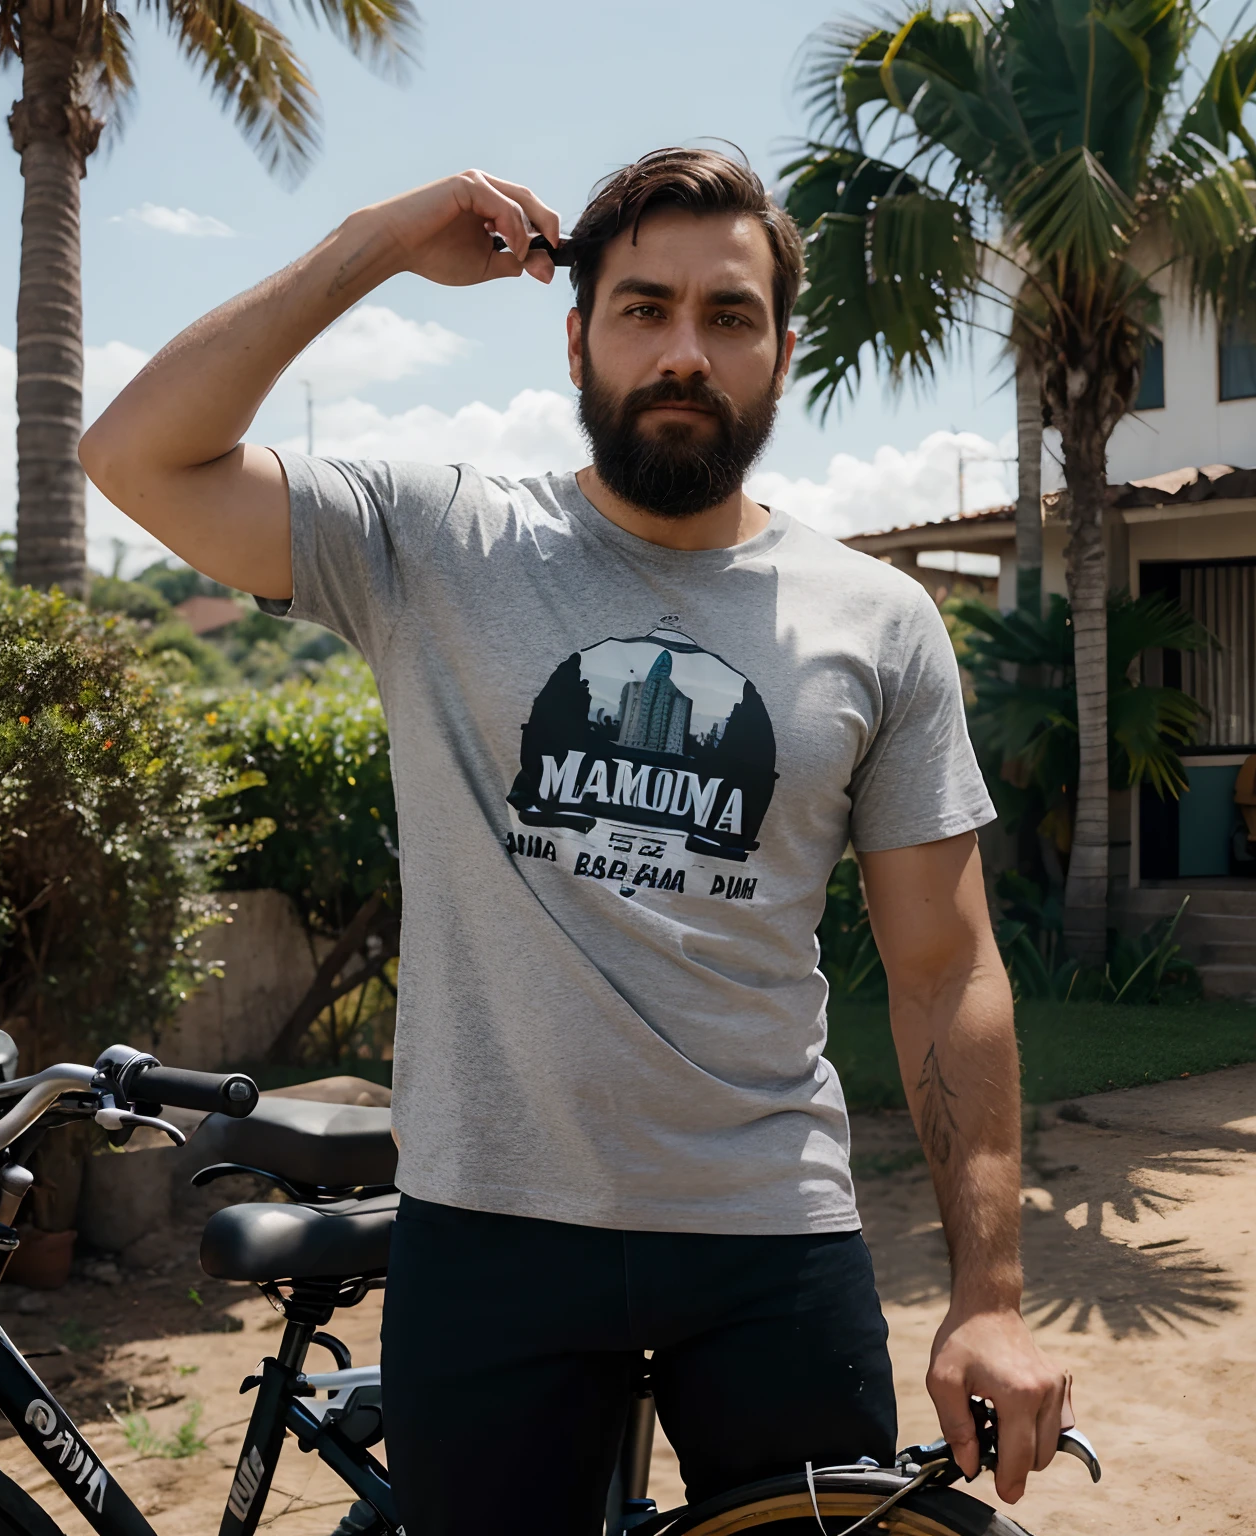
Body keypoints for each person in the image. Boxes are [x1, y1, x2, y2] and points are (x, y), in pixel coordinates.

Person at [81, 148, 1071, 1536]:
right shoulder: (436, 542)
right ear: (575, 337)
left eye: (728, 317)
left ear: (781, 351)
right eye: (642, 308)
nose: (684, 352)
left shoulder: (877, 621)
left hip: (769, 1239)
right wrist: (376, 240)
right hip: (492, 1236)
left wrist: (991, 1299)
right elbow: (134, 454)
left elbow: (948, 969)